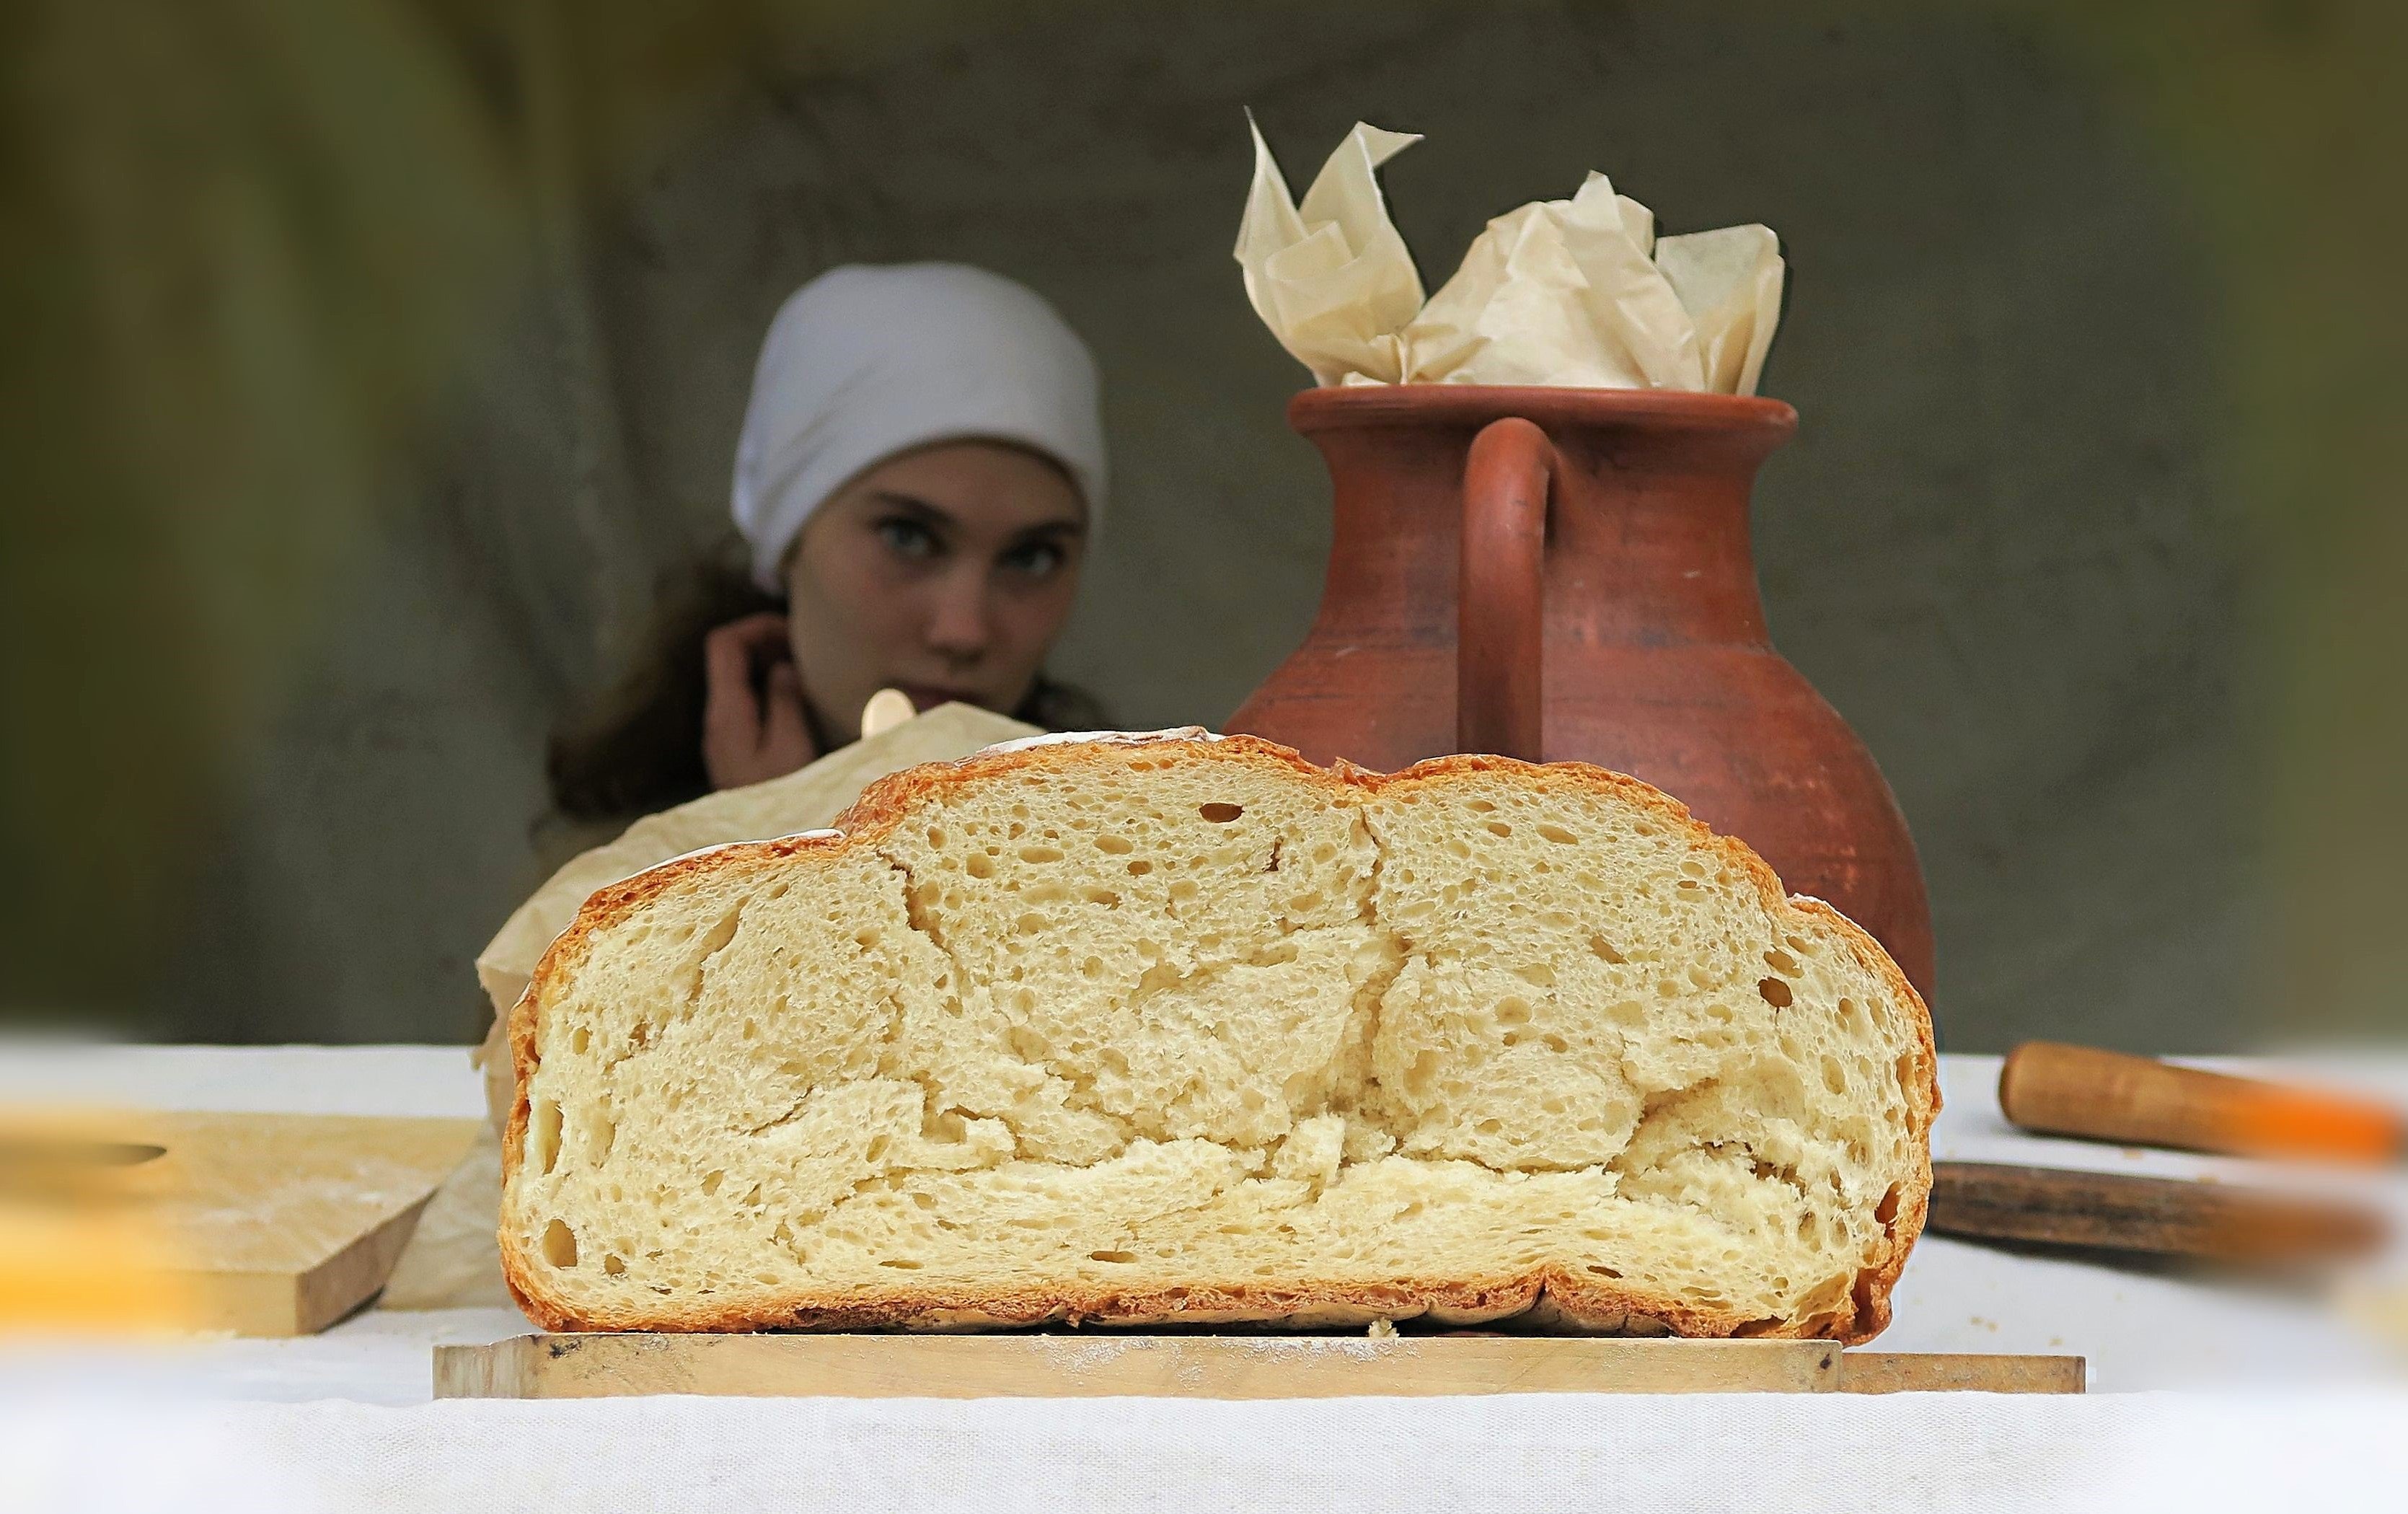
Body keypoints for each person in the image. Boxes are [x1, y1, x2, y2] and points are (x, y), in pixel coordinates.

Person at [547, 263, 1110, 823]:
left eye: (1030, 557)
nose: (962, 631)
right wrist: (765, 836)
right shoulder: (605, 889)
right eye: (907, 538)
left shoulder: (1139, 859)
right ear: (790, 545)